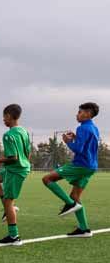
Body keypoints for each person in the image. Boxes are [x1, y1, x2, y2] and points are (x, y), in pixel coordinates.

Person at [41, 102, 100, 237]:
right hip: (90, 167)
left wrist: (68, 142)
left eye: (80, 112)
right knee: (75, 196)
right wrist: (76, 138)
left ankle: (69, 204)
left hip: (80, 165)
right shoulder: (93, 128)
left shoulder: (82, 128)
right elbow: (86, 145)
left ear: (88, 113)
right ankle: (84, 229)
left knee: (47, 179)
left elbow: (78, 149)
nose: (77, 114)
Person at [0, 104, 31, 245]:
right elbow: (27, 152)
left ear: (9, 116)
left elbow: (13, 158)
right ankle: (8, 207)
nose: (3, 120)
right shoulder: (23, 131)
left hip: (15, 169)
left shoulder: (9, 135)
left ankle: (14, 237)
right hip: (18, 168)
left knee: (8, 201)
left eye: (4, 117)